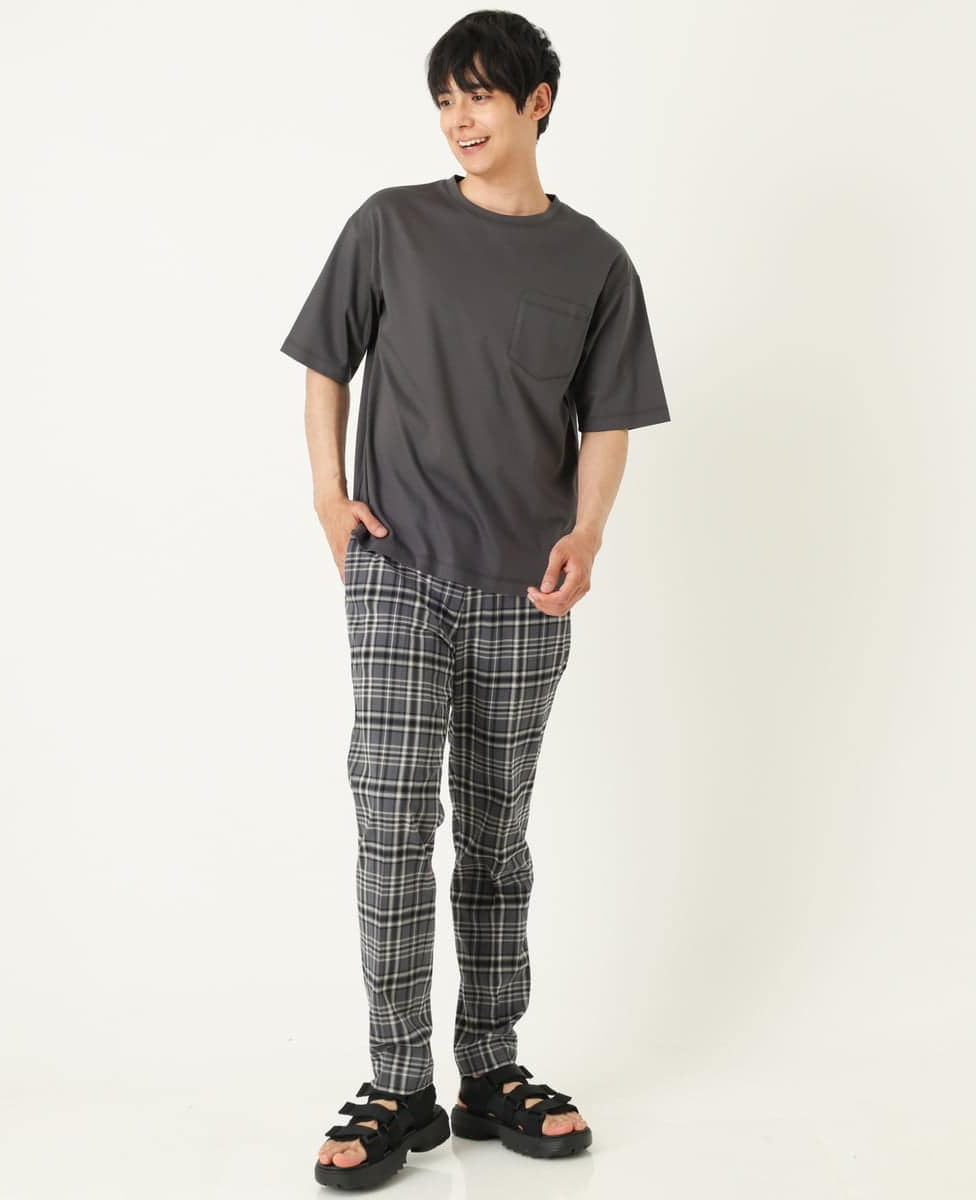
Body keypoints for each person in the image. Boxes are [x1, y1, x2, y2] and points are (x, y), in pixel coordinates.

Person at [279, 10, 670, 1189]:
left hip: (525, 590)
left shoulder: (595, 262)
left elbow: (608, 421)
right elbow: (325, 363)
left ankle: (489, 1069)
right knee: (394, 818)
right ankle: (398, 1082)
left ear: (536, 102)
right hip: (398, 566)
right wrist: (327, 497)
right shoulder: (389, 225)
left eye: (481, 94)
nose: (459, 117)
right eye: (445, 97)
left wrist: (588, 533)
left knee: (496, 833)